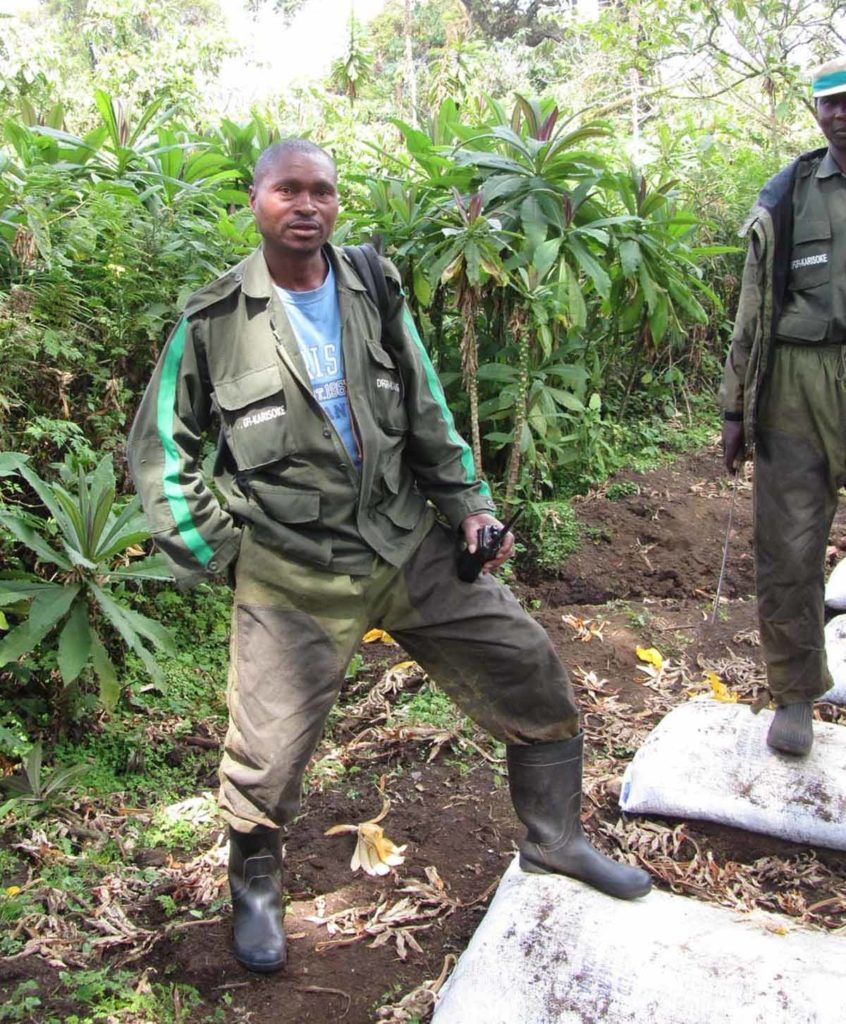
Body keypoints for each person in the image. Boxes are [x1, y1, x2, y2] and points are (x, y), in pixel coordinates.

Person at [128, 138, 651, 974]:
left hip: (408, 540)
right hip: (294, 568)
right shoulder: (214, 319)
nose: (308, 206)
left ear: (338, 203)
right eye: (288, 190)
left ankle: (555, 837)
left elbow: (428, 407)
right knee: (266, 755)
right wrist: (223, 552)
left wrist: (471, 507)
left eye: (323, 192)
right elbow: (161, 448)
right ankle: (256, 893)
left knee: (527, 664)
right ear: (255, 199)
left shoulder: (372, 284)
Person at [720, 56, 846, 758]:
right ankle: (795, 694)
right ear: (816, 112)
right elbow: (753, 309)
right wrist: (737, 408)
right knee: (791, 542)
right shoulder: (790, 193)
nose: (841, 114)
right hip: (799, 379)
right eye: (830, 104)